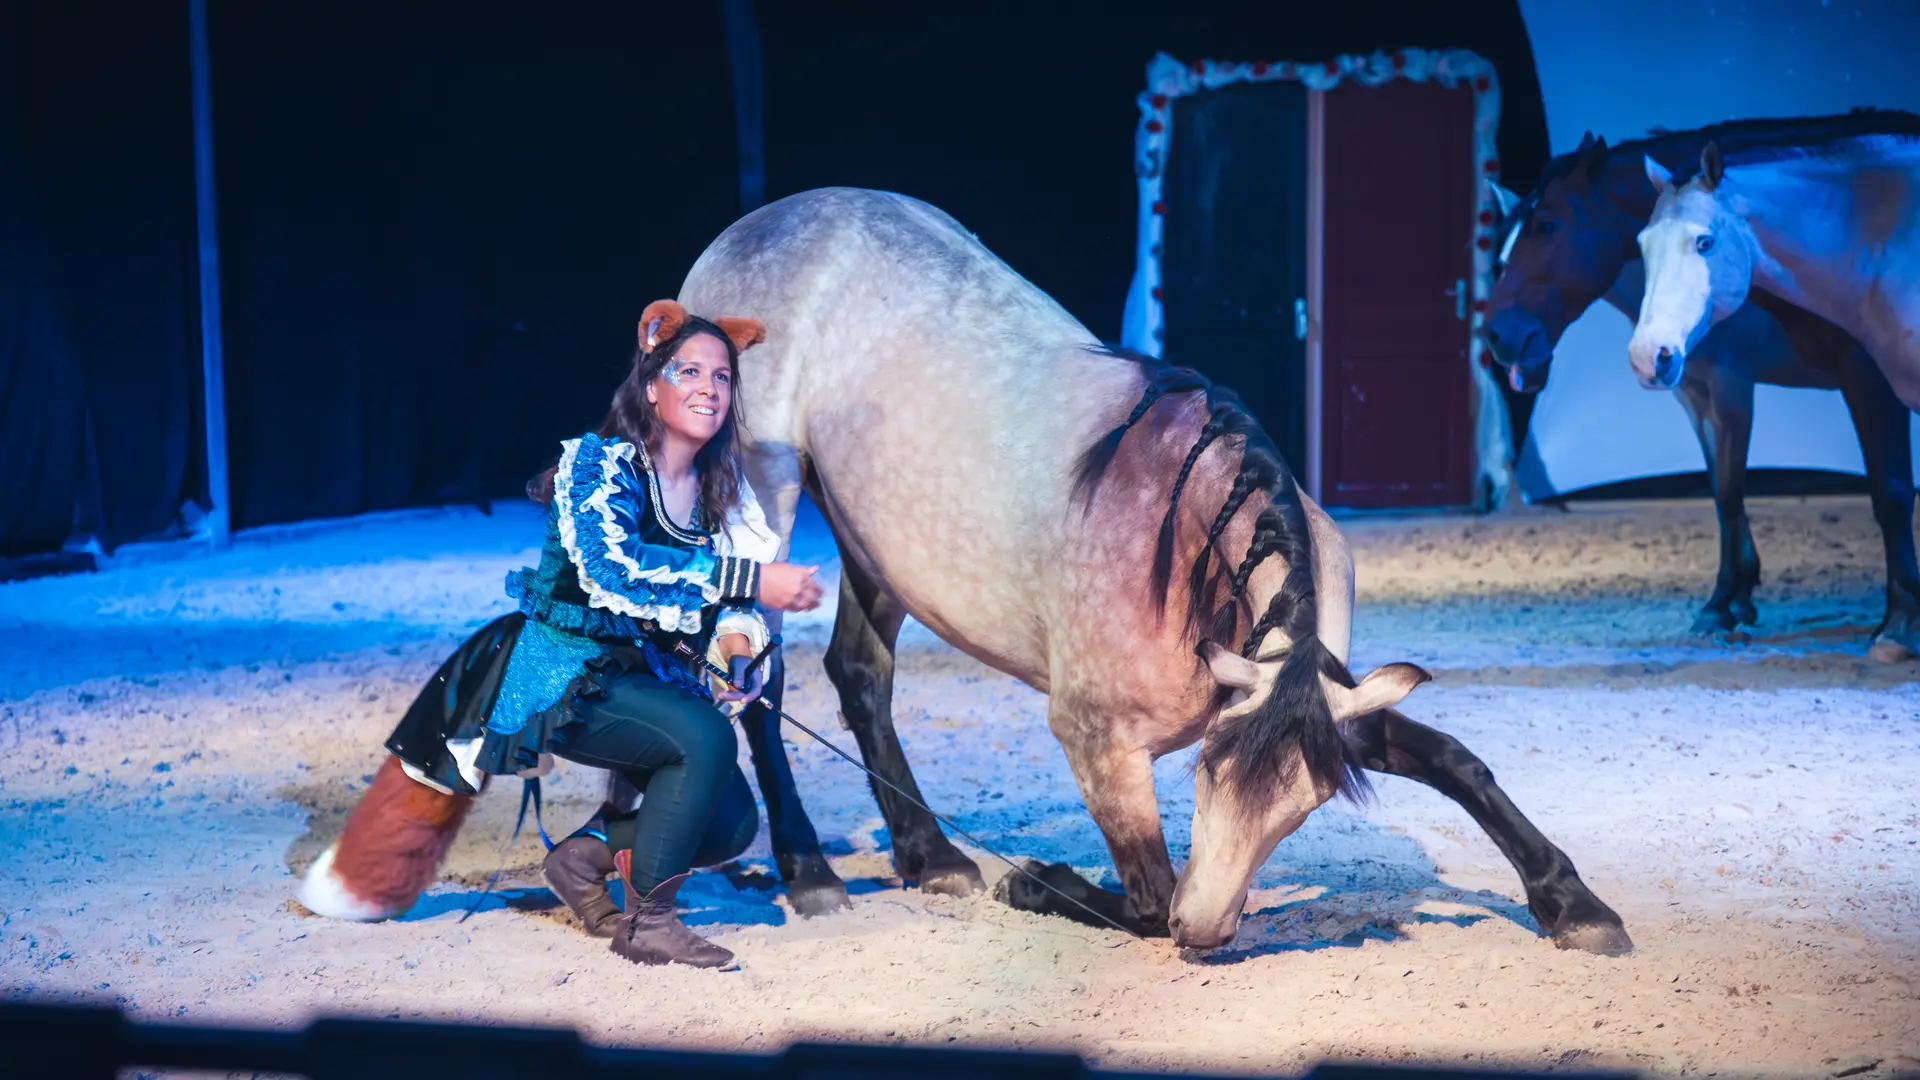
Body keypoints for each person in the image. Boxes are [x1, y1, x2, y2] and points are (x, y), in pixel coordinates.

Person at [385, 299, 822, 969]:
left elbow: (732, 610)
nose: (709, 388)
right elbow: (618, 574)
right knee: (704, 737)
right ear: (651, 386)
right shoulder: (598, 468)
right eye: (690, 372)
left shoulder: (720, 491)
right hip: (563, 674)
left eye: (723, 377)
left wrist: (737, 648)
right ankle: (649, 920)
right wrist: (752, 581)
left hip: (640, 680)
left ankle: (583, 859)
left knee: (732, 821)